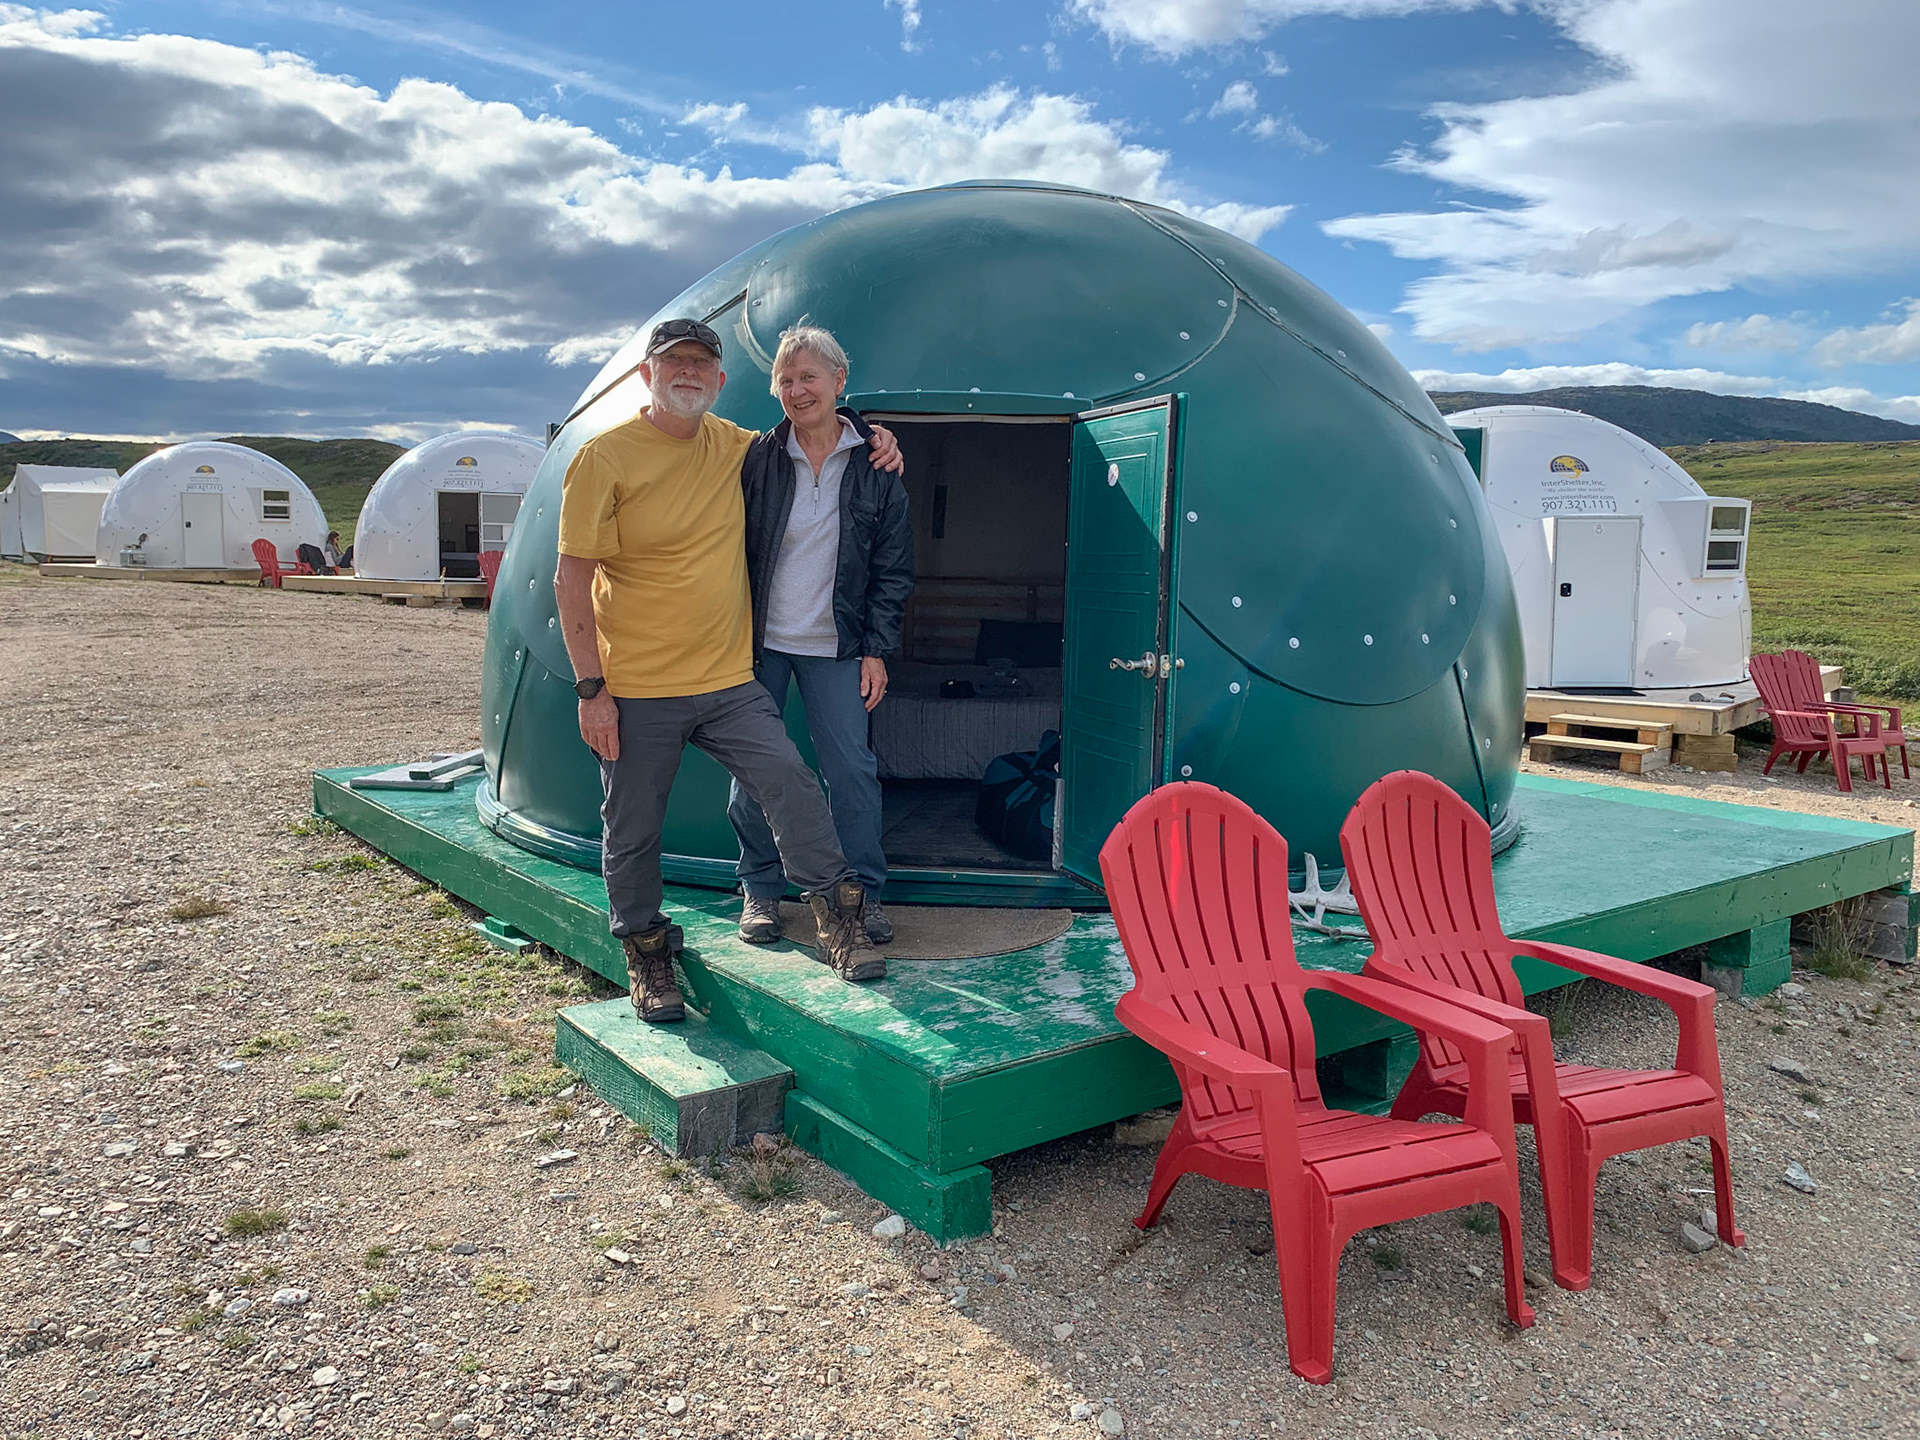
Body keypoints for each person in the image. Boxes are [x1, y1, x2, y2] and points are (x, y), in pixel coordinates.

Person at [552, 317, 902, 1023]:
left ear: (719, 381)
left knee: (791, 780)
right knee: (633, 823)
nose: (687, 373)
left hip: (725, 680)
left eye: (700, 365)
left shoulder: (739, 447)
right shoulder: (605, 457)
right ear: (646, 375)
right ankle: (648, 953)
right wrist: (592, 690)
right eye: (671, 362)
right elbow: (570, 578)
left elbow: (819, 426)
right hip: (639, 685)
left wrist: (876, 432)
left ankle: (839, 916)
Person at [731, 326, 912, 946]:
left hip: (837, 646)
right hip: (760, 644)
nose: (797, 389)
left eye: (810, 376)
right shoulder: (757, 456)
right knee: (754, 772)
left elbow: (892, 568)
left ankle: (861, 894)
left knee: (852, 772)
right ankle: (760, 889)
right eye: (786, 378)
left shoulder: (876, 465)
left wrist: (876, 650)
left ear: (840, 381)